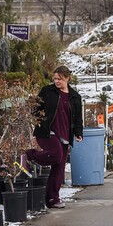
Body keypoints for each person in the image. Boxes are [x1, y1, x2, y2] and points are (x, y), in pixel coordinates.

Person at [23, 65, 83, 209]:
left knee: (59, 169)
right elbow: (35, 109)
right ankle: (28, 155)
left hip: (65, 135)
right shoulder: (47, 91)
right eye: (55, 78)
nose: (56, 81)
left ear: (67, 78)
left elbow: (78, 118)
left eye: (60, 79)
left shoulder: (75, 97)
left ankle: (52, 199)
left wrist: (78, 133)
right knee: (56, 156)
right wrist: (41, 122)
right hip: (47, 133)